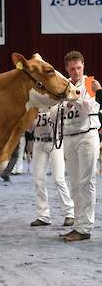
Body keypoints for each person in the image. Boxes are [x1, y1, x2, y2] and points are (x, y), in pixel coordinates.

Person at [61, 51, 101, 241]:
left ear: (83, 66)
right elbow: (57, 113)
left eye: (78, 67)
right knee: (75, 183)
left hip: (87, 136)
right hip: (69, 136)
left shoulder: (90, 83)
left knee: (86, 182)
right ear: (67, 69)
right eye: (72, 68)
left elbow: (90, 108)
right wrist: (65, 105)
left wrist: (73, 99)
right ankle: (78, 224)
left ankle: (85, 227)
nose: (76, 71)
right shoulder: (64, 86)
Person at [30, 106, 74, 227]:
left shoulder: (57, 104)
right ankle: (43, 215)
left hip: (55, 142)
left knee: (58, 179)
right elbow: (29, 129)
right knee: (38, 180)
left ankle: (70, 213)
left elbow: (66, 117)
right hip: (38, 142)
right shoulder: (35, 105)